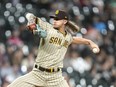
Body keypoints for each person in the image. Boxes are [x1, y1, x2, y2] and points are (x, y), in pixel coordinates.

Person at [7, 10, 100, 87]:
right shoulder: (48, 27)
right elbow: (30, 16)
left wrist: (90, 42)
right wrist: (31, 22)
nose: (54, 21)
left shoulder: (67, 37)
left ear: (64, 21)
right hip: (37, 74)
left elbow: (74, 39)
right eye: (54, 19)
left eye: (57, 19)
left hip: (56, 78)